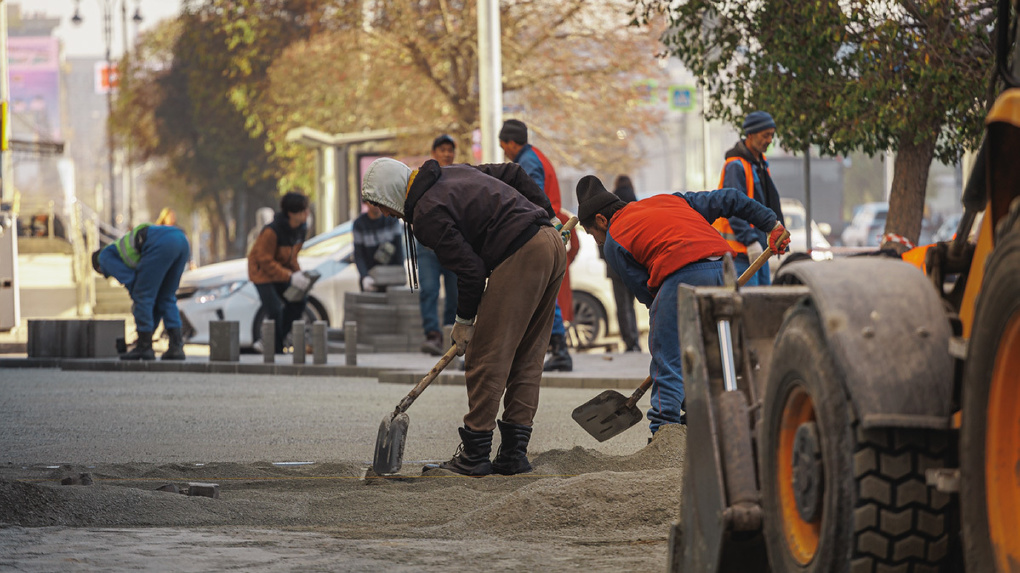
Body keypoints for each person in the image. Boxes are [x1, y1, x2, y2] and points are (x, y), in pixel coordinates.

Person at [361, 156, 566, 477]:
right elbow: (512, 172)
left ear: (390, 193)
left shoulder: (427, 213)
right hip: (551, 244)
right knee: (527, 355)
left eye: (381, 205)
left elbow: (471, 271)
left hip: (521, 251)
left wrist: (464, 322)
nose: (385, 213)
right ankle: (513, 454)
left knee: (486, 355)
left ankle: (475, 454)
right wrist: (549, 217)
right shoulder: (453, 172)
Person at [575, 175, 789, 436]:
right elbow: (730, 198)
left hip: (681, 276)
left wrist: (670, 335)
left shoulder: (613, 241)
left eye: (592, 235)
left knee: (667, 356)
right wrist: (772, 224)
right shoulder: (671, 201)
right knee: (718, 354)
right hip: (724, 270)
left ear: (600, 220)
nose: (597, 241)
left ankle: (664, 433)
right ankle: (710, 417)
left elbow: (647, 293)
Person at [498, 119, 574, 372]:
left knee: (541, 291)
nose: (504, 153)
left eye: (503, 147)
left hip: (539, 233)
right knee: (543, 291)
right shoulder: (536, 156)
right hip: (547, 231)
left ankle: (558, 349)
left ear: (510, 143)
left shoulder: (529, 162)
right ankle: (555, 349)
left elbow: (531, 198)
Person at [91, 223, 191, 360]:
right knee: (165, 297)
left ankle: (144, 349)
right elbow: (153, 300)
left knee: (142, 295)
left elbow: (134, 285)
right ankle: (176, 347)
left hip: (162, 244)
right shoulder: (120, 249)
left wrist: (143, 326)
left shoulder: (104, 258)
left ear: (99, 268)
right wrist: (148, 329)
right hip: (181, 241)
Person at [713, 110, 786, 286]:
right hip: (740, 251)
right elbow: (732, 207)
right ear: (750, 135)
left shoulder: (759, 164)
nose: (769, 140)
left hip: (757, 250)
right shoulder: (735, 166)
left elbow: (767, 204)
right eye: (765, 135)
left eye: (771, 135)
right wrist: (750, 240)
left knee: (760, 304)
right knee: (747, 307)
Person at [247, 191, 312, 354]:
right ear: (291, 213)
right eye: (303, 210)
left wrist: (299, 275)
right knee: (275, 309)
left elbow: (292, 257)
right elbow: (264, 260)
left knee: (299, 301)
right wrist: (290, 276)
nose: (307, 214)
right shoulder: (272, 231)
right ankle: (274, 349)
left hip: (281, 271)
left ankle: (272, 341)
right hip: (261, 273)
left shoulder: (301, 229)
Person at [417, 134, 460, 355]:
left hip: (453, 245)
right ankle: (433, 336)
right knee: (430, 290)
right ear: (434, 153)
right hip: (427, 247)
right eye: (442, 150)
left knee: (455, 293)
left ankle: (450, 334)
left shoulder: (460, 177)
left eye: (450, 150)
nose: (446, 154)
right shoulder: (424, 177)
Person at [601, 175, 641, 352]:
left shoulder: (609, 204)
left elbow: (602, 235)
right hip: (633, 261)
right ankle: (636, 341)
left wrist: (605, 257)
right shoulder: (635, 202)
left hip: (614, 262)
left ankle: (629, 342)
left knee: (621, 305)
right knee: (632, 304)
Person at [352, 202, 404, 292]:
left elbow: (399, 249)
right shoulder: (359, 224)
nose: (375, 205)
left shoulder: (392, 220)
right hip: (370, 278)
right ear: (366, 203)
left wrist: (400, 272)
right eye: (372, 201)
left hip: (391, 276)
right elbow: (358, 254)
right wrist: (364, 277)